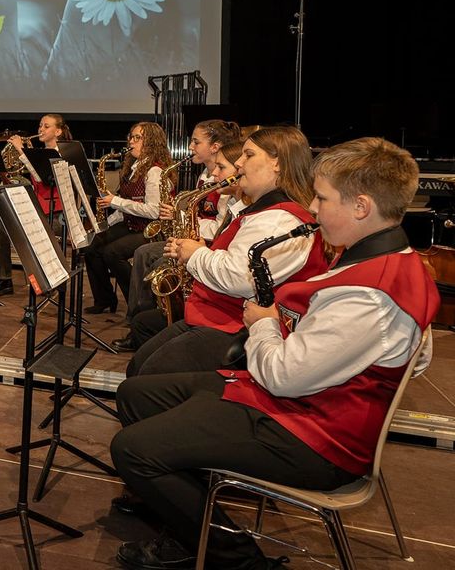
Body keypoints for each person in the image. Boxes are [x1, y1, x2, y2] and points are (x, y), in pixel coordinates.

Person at [109, 137, 437, 570]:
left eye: (323, 199)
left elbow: (282, 376)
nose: (313, 209)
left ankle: (237, 560)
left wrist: (263, 322)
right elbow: (413, 355)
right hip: (296, 405)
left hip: (312, 437)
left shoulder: (371, 295)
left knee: (131, 449)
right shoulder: (381, 262)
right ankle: (186, 517)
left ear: (361, 207)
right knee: (136, 395)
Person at [128, 126, 328, 377]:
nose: (240, 163)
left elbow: (239, 278)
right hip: (218, 316)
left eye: (248, 155)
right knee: (138, 366)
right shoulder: (266, 211)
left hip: (233, 326)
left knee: (145, 377)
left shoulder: (280, 219)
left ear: (277, 163)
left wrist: (195, 254)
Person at [113, 120, 241, 350]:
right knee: (143, 253)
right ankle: (139, 321)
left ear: (215, 146)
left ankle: (155, 322)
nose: (190, 147)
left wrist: (180, 217)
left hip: (207, 245)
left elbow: (220, 227)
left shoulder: (226, 183)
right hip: (196, 238)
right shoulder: (206, 174)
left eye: (196, 142)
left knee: (155, 263)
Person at [84, 122, 171, 313]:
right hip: (132, 224)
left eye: (137, 138)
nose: (131, 142)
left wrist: (114, 201)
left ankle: (140, 302)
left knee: (112, 253)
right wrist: (103, 224)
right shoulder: (134, 168)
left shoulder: (154, 171)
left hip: (151, 229)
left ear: (152, 142)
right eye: (131, 137)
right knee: (92, 246)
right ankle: (105, 299)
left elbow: (154, 211)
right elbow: (127, 206)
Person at [0, 113, 72, 296]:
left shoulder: (63, 154)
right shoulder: (38, 153)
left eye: (46, 126)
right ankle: (3, 278)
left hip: (57, 214)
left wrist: (21, 150)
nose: (41, 129)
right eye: (40, 125)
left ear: (58, 131)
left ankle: (48, 281)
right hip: (39, 208)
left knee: (35, 232)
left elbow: (43, 178)